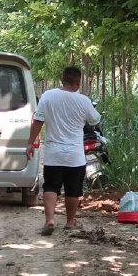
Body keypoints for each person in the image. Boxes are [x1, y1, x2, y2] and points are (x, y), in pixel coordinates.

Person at [25, 66, 101, 235]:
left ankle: (50, 220)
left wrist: (30, 142)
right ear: (78, 82)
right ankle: (69, 222)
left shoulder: (48, 96)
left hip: (53, 153)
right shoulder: (84, 100)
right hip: (75, 155)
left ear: (62, 80)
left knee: (51, 186)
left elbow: (37, 121)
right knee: (73, 189)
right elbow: (95, 119)